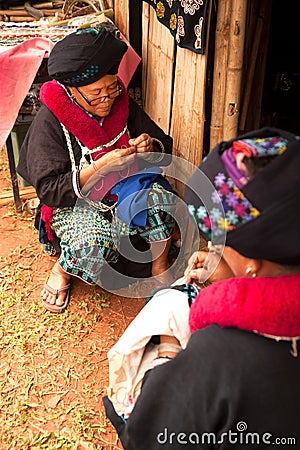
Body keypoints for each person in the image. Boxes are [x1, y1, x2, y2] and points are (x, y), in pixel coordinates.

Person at [103, 127, 300, 449]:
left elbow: (152, 436)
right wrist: (230, 272)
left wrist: (167, 354)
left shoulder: (221, 358)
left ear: (253, 263)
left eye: (221, 242)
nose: (214, 248)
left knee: (169, 308)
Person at [17, 26, 177, 313]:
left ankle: (160, 265)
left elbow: (164, 145)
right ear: (71, 91)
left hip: (124, 192)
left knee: (160, 198)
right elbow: (50, 191)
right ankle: (63, 269)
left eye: (111, 87)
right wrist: (98, 169)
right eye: (96, 94)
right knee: (90, 245)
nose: (107, 99)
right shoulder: (50, 122)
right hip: (77, 203)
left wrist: (149, 145)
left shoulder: (120, 103)